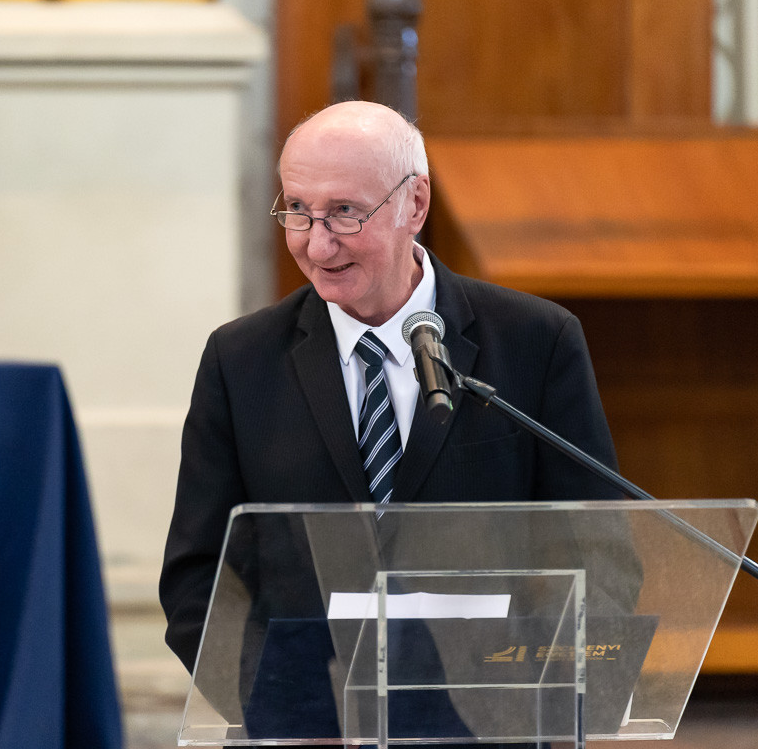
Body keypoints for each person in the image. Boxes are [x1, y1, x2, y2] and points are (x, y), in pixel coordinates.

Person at [159, 100, 624, 676]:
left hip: (495, 703)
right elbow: (199, 580)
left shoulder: (536, 341)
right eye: (298, 210)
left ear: (416, 204)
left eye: (345, 212)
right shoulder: (240, 360)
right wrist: (284, 700)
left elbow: (598, 554)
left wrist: (532, 686)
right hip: (307, 712)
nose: (317, 245)